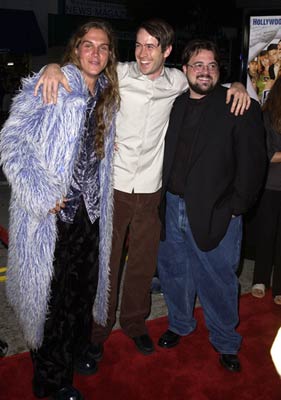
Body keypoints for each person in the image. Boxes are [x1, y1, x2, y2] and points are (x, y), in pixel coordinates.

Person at [34, 18, 251, 359]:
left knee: (142, 264)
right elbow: (81, 69)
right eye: (138, 44)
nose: (143, 52)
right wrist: (50, 66)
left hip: (152, 190)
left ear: (167, 51)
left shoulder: (178, 80)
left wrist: (239, 84)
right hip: (115, 186)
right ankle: (99, 329)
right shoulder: (118, 73)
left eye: (152, 45)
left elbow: (208, 79)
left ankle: (135, 324)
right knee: (106, 264)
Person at [0, 20, 120, 400]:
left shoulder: (106, 92)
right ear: (75, 49)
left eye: (103, 47)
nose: (95, 53)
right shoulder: (53, 82)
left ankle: (71, 354)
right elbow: (12, 139)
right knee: (51, 300)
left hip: (91, 213)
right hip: (52, 217)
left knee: (81, 294)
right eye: (88, 45)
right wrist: (39, 191)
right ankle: (50, 380)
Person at [156, 39, 267, 372]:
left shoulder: (238, 105)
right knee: (175, 273)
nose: (205, 72)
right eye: (197, 66)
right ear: (185, 70)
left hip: (217, 209)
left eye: (212, 66)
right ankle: (179, 324)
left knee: (218, 279)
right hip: (171, 204)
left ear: (219, 70)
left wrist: (236, 207)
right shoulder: (173, 105)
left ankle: (225, 341)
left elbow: (253, 163)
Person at [252, 76, 281, 306]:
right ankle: (260, 280)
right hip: (271, 185)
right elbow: (268, 154)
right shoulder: (267, 116)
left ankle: (279, 286)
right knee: (266, 234)